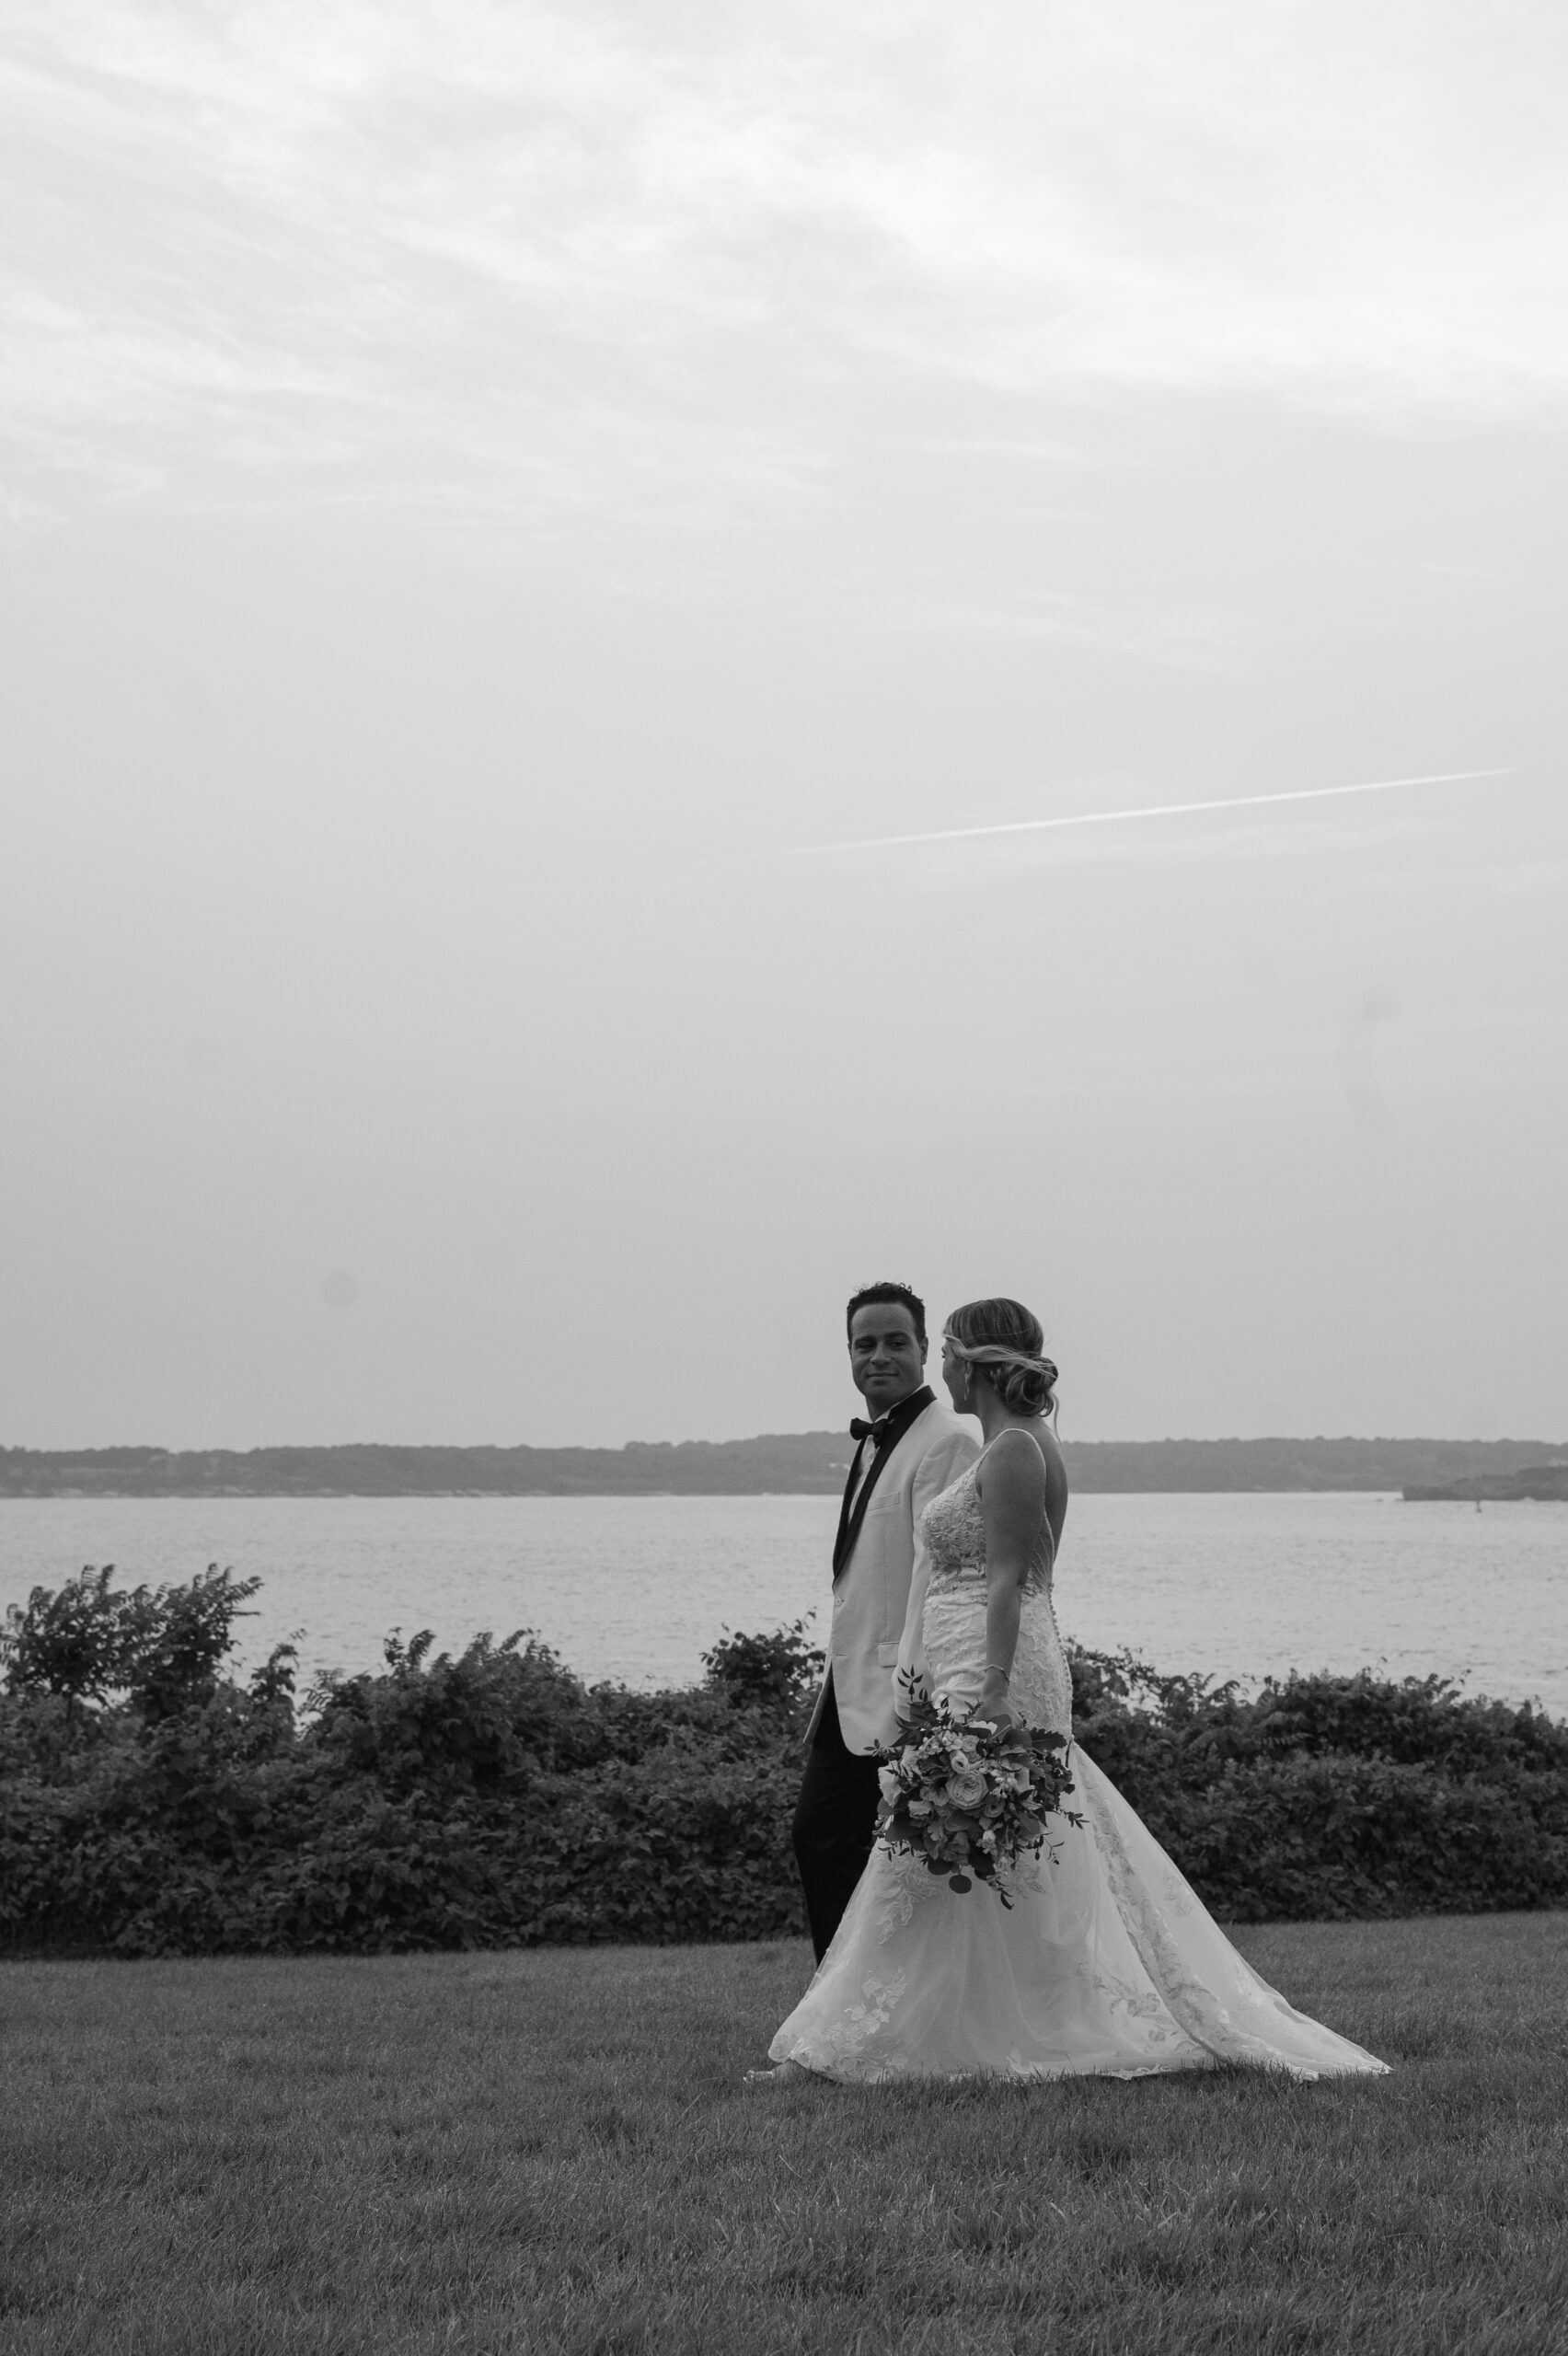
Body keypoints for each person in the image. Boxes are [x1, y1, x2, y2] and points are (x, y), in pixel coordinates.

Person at [764, 1297, 1388, 2084]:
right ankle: (944, 2029)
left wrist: (987, 1689)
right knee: (973, 1849)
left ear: (973, 1361)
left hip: (992, 1667)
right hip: (974, 1658)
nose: (945, 1370)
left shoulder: (1016, 1450)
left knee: (931, 1848)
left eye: (947, 1353)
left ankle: (857, 2048)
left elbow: (1010, 1580)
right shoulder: (1010, 1444)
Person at [790, 1282, 980, 1963]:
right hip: (848, 1687)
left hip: (904, 1688)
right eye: (865, 1344)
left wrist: (921, 1696)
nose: (879, 1356)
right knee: (824, 1838)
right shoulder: (877, 1439)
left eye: (896, 1341)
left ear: (925, 1349)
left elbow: (939, 1579)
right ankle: (840, 2003)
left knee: (871, 1850)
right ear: (848, 1353)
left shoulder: (947, 1442)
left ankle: (863, 2006)